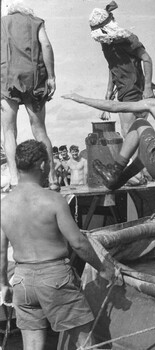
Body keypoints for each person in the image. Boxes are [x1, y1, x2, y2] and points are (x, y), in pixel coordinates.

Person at [0, 139, 116, 350]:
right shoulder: (53, 199)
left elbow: (0, 250)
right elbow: (79, 243)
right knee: (86, 345)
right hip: (54, 277)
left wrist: (3, 283)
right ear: (42, 165)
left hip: (22, 280)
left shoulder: (4, 205)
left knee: (32, 347)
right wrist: (103, 268)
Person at [62, 80, 155, 190]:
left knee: (139, 123)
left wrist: (81, 99)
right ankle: (116, 182)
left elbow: (115, 106)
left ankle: (115, 170)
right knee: (146, 152)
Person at [1, 2, 59, 191]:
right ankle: (52, 178)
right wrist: (51, 76)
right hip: (34, 79)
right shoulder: (36, 22)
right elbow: (47, 46)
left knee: (9, 131)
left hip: (7, 78)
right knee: (40, 130)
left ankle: (15, 179)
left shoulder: (2, 22)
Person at [89, 1, 154, 138]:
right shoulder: (106, 43)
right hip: (123, 90)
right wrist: (108, 91)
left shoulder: (126, 38)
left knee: (130, 133)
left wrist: (147, 87)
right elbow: (112, 66)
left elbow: (147, 59)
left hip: (135, 90)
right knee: (131, 133)